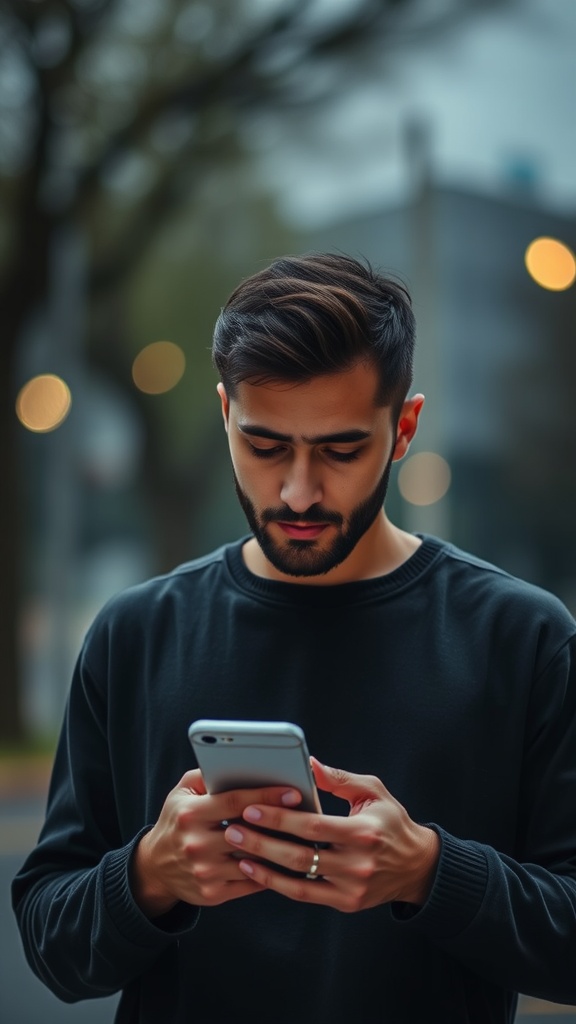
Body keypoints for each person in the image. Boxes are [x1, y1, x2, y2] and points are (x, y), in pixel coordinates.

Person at [12, 252, 576, 1024]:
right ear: (224, 416)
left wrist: (432, 873)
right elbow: (51, 948)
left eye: (341, 450)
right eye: (266, 446)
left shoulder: (524, 638)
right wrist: (150, 873)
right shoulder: (134, 635)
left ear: (403, 427)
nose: (299, 491)